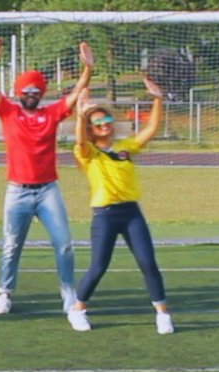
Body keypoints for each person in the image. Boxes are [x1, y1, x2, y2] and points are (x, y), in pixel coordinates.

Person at [0, 37, 93, 316]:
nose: (31, 93)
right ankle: (4, 293)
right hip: (17, 191)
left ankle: (68, 294)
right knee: (11, 246)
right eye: (26, 90)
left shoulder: (52, 114)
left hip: (47, 191)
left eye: (36, 90)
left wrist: (88, 69)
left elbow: (76, 93)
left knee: (64, 244)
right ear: (19, 92)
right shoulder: (8, 112)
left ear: (41, 93)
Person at [66, 76, 174, 335]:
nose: (104, 125)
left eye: (107, 121)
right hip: (105, 215)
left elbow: (150, 130)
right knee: (99, 266)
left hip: (131, 212)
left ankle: (162, 313)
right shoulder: (88, 152)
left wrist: (158, 99)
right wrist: (81, 117)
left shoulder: (125, 147)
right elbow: (80, 142)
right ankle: (78, 308)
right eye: (98, 123)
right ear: (92, 129)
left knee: (148, 262)